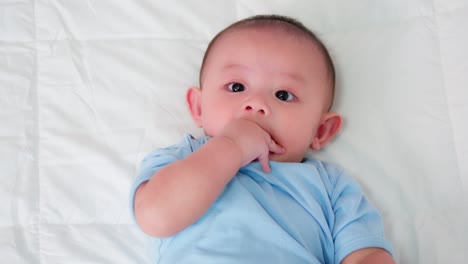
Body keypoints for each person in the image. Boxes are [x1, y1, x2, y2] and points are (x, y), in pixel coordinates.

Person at [130, 14, 395, 264]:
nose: (256, 104)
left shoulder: (331, 187)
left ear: (320, 130)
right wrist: (231, 146)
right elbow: (155, 217)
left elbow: (365, 254)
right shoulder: (182, 158)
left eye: (283, 95)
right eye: (236, 87)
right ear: (199, 107)